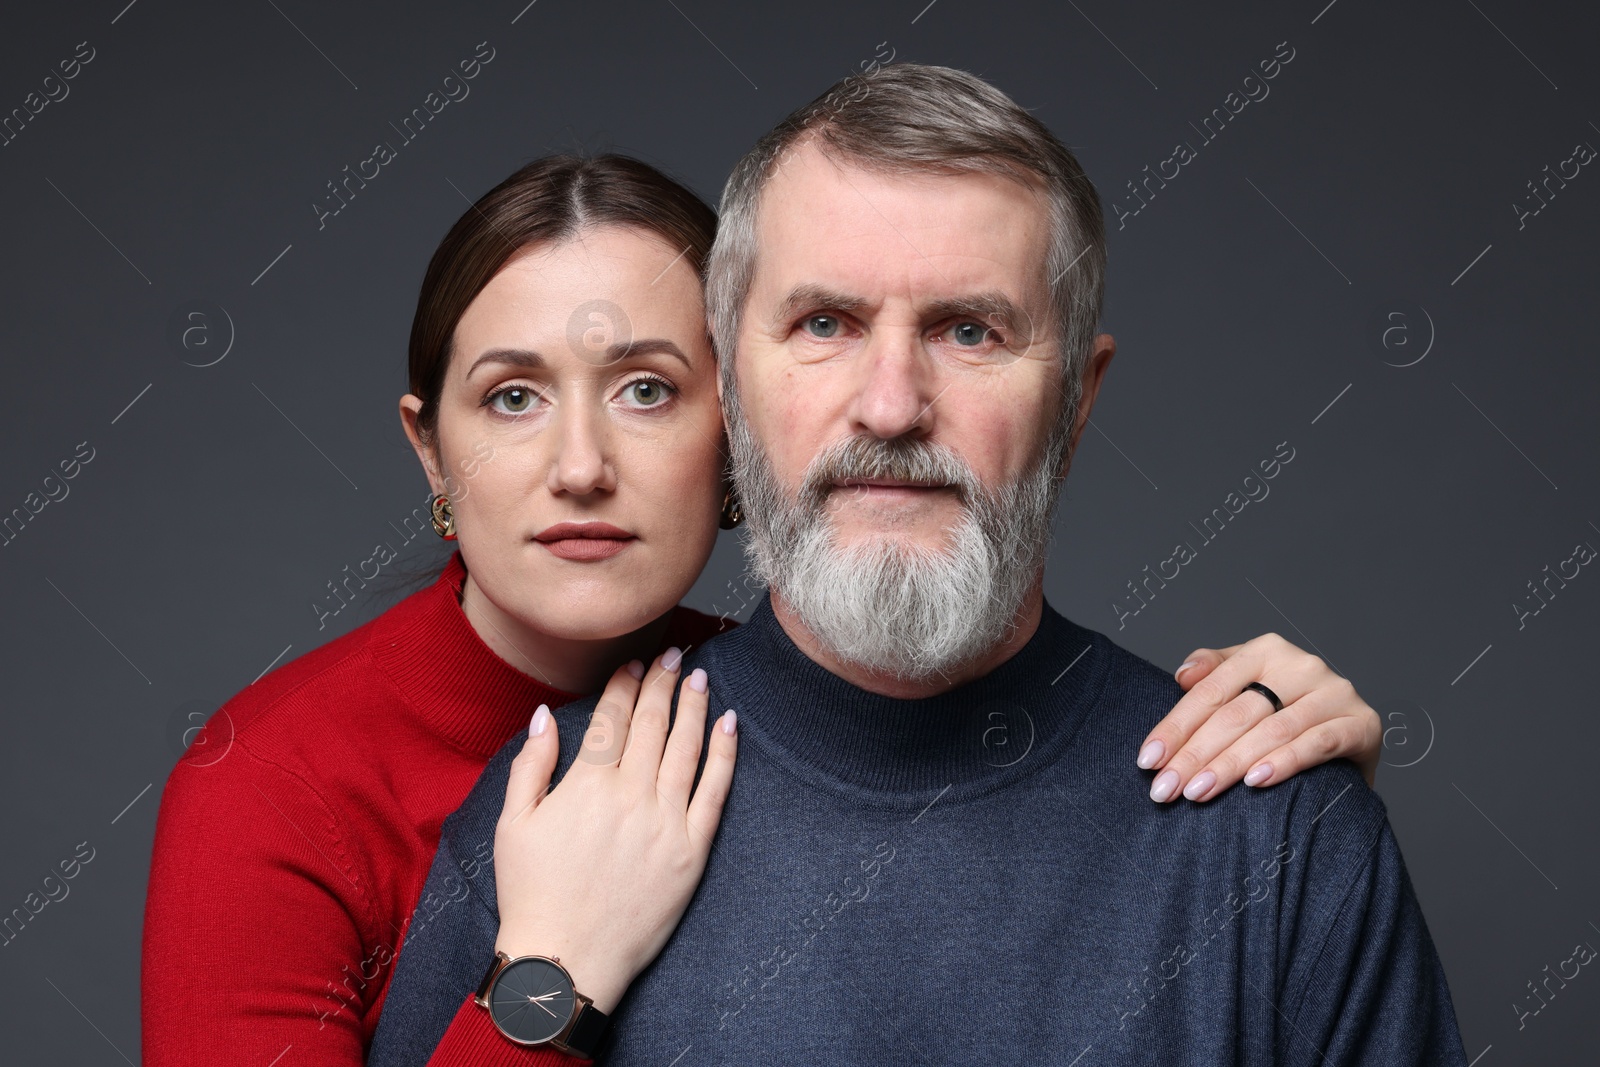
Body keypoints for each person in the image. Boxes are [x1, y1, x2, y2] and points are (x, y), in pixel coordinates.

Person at [141, 150, 1385, 1067]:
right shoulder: (271, 785)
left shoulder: (765, 700)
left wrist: (1287, 788)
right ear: (430, 454)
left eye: (645, 388)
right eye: (512, 396)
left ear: (735, 423)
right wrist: (553, 978)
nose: (581, 464)